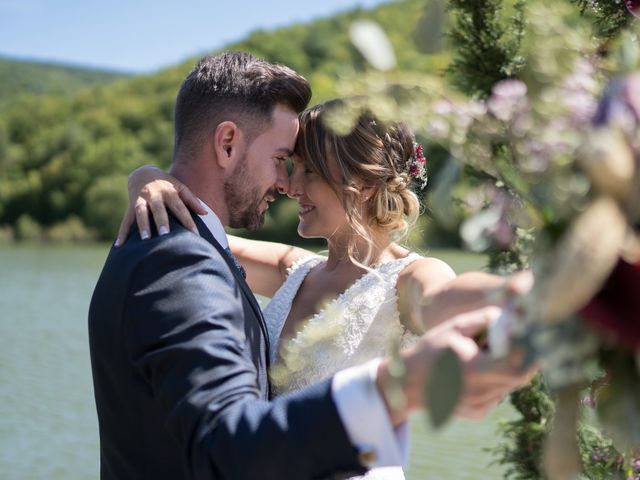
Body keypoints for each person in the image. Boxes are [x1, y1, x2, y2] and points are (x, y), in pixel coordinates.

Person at [91, 51, 531, 480]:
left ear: (358, 184)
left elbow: (444, 299)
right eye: (287, 164)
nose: (288, 185)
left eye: (307, 172)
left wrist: (515, 295)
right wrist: (149, 177)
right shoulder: (296, 270)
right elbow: (201, 237)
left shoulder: (409, 279)